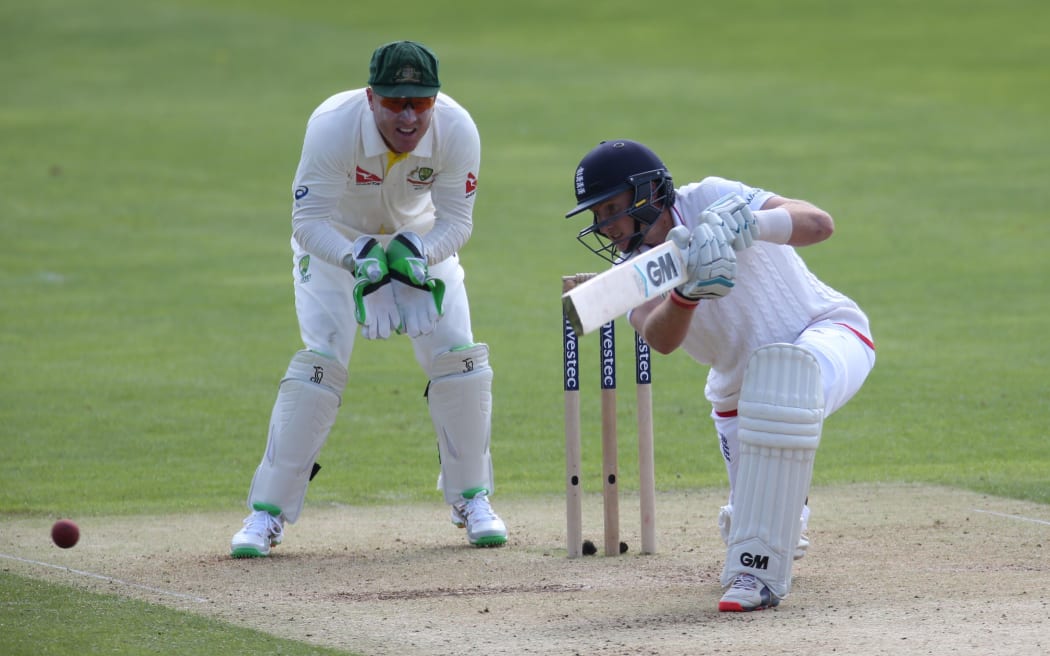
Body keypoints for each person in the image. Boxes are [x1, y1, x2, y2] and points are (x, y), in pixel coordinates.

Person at [565, 139, 875, 611]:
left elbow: (821, 224)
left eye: (611, 210)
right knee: (758, 512)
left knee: (783, 386)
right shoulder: (632, 272)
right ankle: (779, 522)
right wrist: (687, 293)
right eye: (596, 215)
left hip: (829, 332)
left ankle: (755, 575)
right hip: (736, 391)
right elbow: (660, 338)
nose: (604, 227)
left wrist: (754, 224)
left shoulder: (710, 197)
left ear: (646, 193)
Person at [230, 40, 507, 557]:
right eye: (395, 102)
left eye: (420, 103)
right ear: (370, 97)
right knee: (321, 364)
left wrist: (414, 254)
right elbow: (307, 223)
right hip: (338, 244)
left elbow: (457, 222)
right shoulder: (333, 126)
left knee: (460, 359)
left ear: (434, 99)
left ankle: (473, 499)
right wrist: (360, 259)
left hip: (419, 243)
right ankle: (265, 514)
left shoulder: (458, 129)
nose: (408, 116)